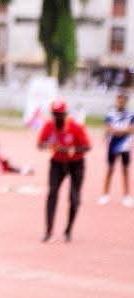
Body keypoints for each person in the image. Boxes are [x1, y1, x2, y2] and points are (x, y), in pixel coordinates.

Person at [38, 99, 91, 242]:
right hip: (57, 163)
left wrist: (72, 149)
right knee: (52, 193)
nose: (57, 117)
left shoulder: (75, 126)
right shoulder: (49, 126)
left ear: (65, 114)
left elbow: (87, 146)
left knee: (74, 198)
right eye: (54, 114)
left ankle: (68, 229)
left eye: (59, 114)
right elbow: (40, 143)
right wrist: (49, 145)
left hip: (75, 164)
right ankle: (49, 231)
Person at [100, 90, 132, 207]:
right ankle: (105, 194)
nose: (121, 102)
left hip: (125, 145)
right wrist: (120, 131)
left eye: (123, 100)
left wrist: (118, 131)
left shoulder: (130, 115)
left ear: (126, 101)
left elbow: (131, 129)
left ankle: (126, 195)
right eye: (119, 99)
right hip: (113, 145)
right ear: (116, 100)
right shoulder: (110, 114)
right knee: (110, 169)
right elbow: (108, 128)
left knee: (125, 170)